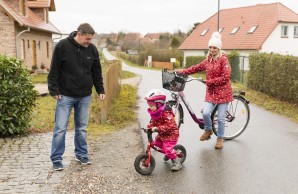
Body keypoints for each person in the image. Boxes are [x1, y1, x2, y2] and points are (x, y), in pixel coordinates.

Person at [48, 23, 105, 171]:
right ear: (78, 34)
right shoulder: (62, 46)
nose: (89, 41)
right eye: (87, 38)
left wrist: (100, 89)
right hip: (65, 95)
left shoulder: (92, 49)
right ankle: (56, 159)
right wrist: (54, 90)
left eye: (91, 39)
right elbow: (54, 69)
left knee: (82, 128)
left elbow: (96, 71)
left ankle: (81, 154)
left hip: (85, 95)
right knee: (60, 129)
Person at [177, 31, 233, 149]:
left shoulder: (223, 60)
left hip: (223, 92)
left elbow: (226, 77)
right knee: (206, 113)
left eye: (214, 48)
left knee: (221, 118)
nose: (212, 50)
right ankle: (208, 130)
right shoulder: (208, 59)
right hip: (211, 92)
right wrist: (183, 71)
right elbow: (196, 68)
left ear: (219, 48)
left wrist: (210, 82)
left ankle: (220, 139)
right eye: (210, 47)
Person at [144, 89, 182, 171]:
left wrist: (158, 128)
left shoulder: (166, 113)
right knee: (156, 143)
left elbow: (170, 126)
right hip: (163, 134)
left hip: (171, 134)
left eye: (151, 106)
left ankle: (177, 162)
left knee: (167, 149)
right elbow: (153, 122)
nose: (150, 107)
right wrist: (149, 127)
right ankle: (169, 153)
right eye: (149, 105)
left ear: (159, 104)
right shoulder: (156, 113)